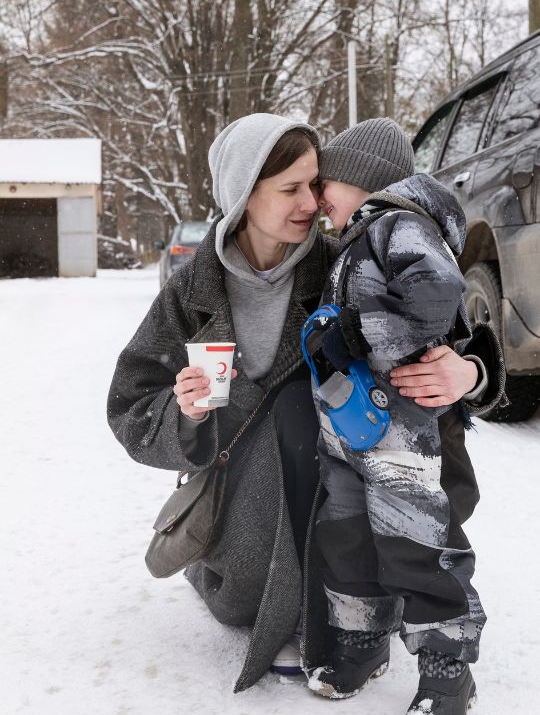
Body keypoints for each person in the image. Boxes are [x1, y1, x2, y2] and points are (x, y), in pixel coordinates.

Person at [106, 113, 504, 693]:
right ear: (244, 195)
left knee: (302, 409)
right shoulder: (193, 290)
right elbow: (130, 401)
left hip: (347, 474)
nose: (313, 202)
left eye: (316, 184)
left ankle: (359, 618)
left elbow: (447, 331)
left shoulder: (342, 258)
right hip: (243, 488)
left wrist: (467, 372)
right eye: (291, 188)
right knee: (290, 421)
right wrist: (185, 410)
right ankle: (305, 598)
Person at [304, 118, 487, 714]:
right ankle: (361, 642)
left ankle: (446, 668)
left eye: (324, 181)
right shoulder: (357, 238)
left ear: (359, 179)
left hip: (401, 432)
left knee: (418, 545)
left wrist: (356, 332)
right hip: (350, 430)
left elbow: (435, 294)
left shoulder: (397, 225)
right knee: (346, 537)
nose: (316, 199)